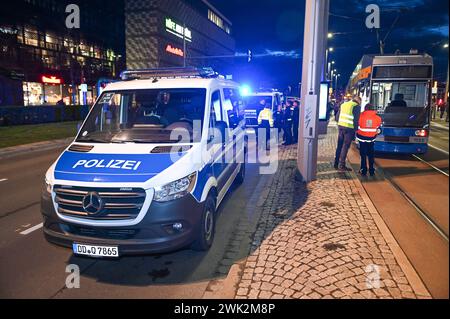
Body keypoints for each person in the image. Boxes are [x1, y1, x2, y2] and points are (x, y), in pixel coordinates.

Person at [334, 95, 361, 171]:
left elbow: (337, 117)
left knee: (339, 145)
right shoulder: (356, 106)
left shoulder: (344, 104)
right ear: (358, 101)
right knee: (345, 147)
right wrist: (356, 131)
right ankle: (341, 165)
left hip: (341, 127)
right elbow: (356, 120)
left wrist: (341, 123)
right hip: (349, 129)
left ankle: (336, 163)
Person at [356, 103, 382, 176]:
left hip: (362, 138)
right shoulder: (378, 118)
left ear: (365, 109)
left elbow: (357, 126)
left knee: (363, 154)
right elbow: (377, 128)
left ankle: (363, 170)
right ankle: (371, 170)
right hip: (371, 139)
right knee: (371, 154)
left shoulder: (360, 116)